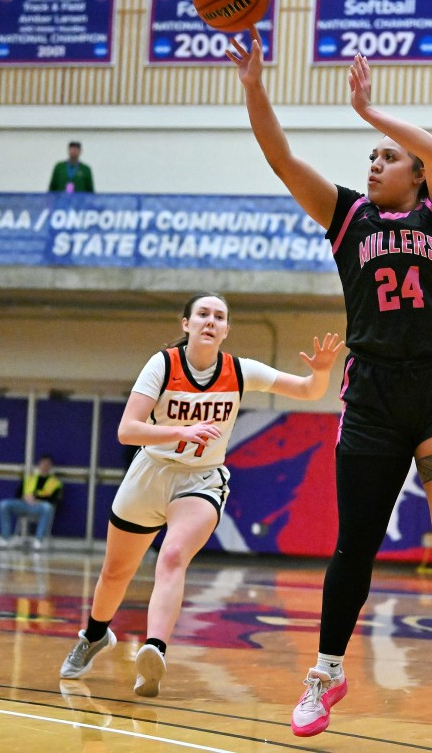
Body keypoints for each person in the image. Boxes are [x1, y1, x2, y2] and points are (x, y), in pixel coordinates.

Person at [228, 34, 432, 744]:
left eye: (387, 157)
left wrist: (371, 111)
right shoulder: (349, 218)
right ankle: (325, 672)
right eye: (371, 156)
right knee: (354, 541)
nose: (374, 162)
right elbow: (281, 157)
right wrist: (255, 85)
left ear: (417, 174)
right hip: (374, 396)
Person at [58, 292, 341, 699]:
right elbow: (127, 429)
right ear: (186, 324)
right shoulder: (163, 364)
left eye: (219, 316)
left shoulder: (240, 371)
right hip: (150, 472)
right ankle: (95, 635)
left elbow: (309, 392)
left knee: (173, 557)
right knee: (114, 574)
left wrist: (322, 372)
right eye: (202, 314)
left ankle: (153, 650)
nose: (211, 320)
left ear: (226, 330)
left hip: (200, 480)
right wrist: (179, 431)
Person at [0, 454, 63, 550]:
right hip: (25, 505)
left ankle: (39, 540)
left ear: (50, 466)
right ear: (39, 465)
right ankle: (5, 539)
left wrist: (38, 499)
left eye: (47, 464)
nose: (44, 466)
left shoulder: (55, 483)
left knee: (48, 507)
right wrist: (25, 497)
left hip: (40, 506)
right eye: (43, 463)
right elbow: (18, 494)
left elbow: (55, 500)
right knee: (4, 505)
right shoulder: (30, 479)